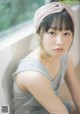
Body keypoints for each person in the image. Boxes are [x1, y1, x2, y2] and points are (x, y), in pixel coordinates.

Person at [12, 1, 80, 114]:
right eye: (52, 33)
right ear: (39, 34)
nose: (60, 42)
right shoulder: (33, 74)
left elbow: (77, 96)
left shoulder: (65, 58)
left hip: (55, 107)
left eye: (66, 33)